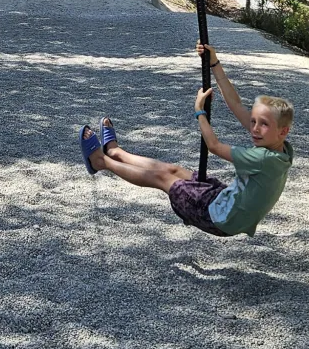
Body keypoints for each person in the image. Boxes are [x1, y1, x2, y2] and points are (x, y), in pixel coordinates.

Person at [79, 44, 295, 237]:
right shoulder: (281, 147)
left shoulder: (263, 158)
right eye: (254, 121)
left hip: (220, 219)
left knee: (163, 178)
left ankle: (101, 162)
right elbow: (236, 105)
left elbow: (214, 146)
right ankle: (116, 152)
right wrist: (215, 63)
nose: (255, 128)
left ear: (283, 131)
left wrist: (199, 111)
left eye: (263, 124)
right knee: (173, 169)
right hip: (227, 201)